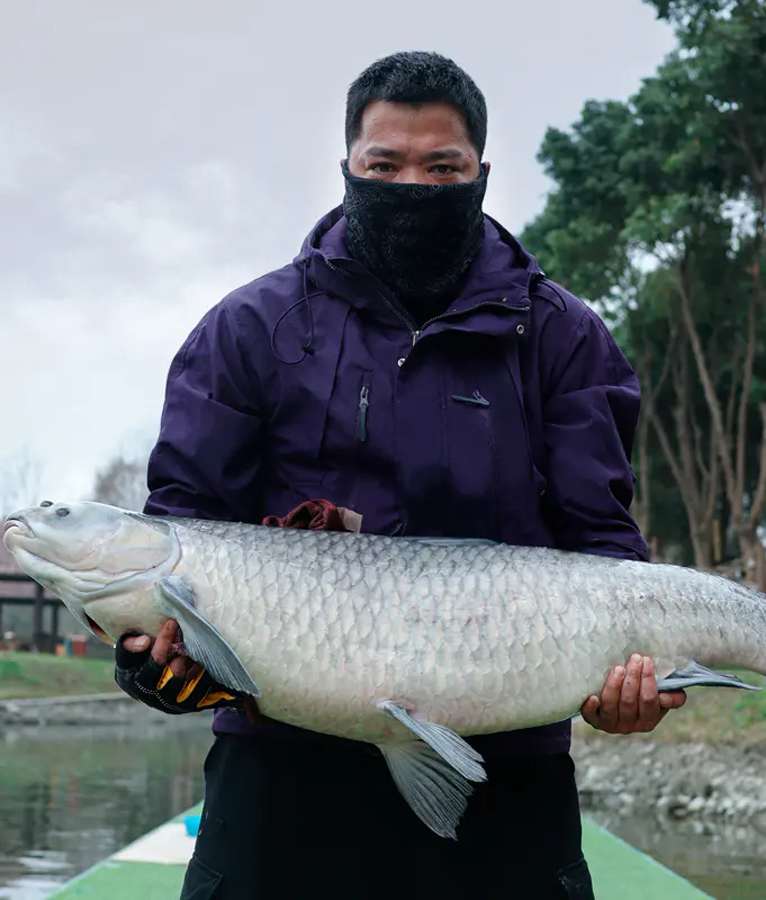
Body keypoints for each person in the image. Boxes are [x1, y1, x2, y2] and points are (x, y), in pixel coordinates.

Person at [113, 50, 687, 899]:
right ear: (347, 168)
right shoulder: (244, 329)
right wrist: (151, 666)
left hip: (509, 774)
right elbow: (181, 531)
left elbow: (601, 542)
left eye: (441, 167)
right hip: (280, 775)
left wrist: (630, 679)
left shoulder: (565, 336)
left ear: (481, 175)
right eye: (384, 165)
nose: (412, 186)